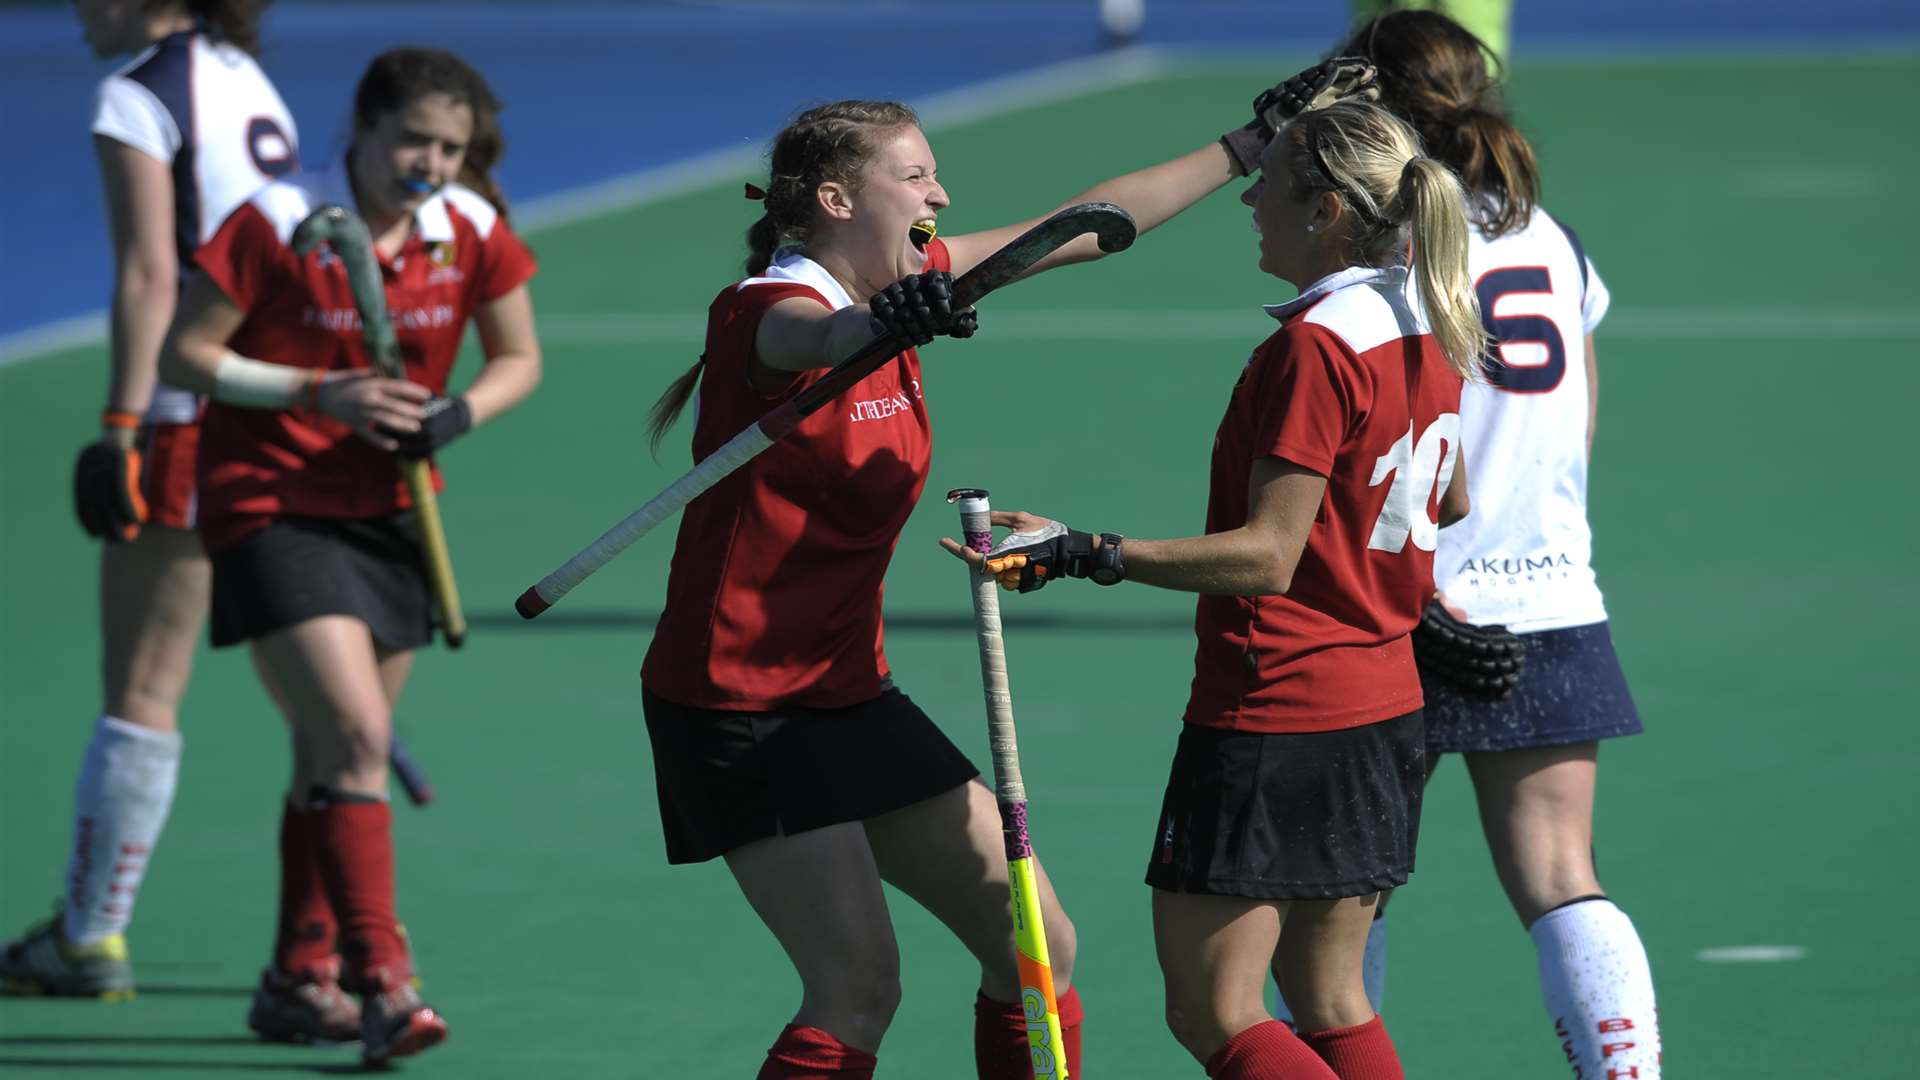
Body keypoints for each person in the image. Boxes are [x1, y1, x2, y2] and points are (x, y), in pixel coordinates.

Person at [634, 72, 1359, 1078]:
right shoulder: (768, 309)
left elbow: (1086, 225)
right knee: (857, 987)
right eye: (916, 177)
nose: (938, 198)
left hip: (844, 691)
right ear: (840, 201)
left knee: (1038, 948)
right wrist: (876, 326)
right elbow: (809, 337)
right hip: (738, 702)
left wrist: (1249, 140)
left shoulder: (909, 277)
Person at [947, 99, 1485, 1079]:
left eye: (1269, 181)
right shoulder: (1426, 319)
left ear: (1324, 212)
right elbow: (1448, 498)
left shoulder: (1315, 349)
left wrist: (1086, 550)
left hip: (1278, 710)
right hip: (1384, 710)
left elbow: (1267, 558)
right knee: (1332, 1002)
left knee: (1215, 1011)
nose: (1249, 199)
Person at [154, 46, 540, 1065]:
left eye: (451, 147)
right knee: (360, 737)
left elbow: (518, 360)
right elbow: (183, 354)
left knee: (328, 755)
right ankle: (385, 985)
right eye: (413, 138)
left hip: (393, 513)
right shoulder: (279, 221)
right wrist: (314, 393)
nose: (430, 162)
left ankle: (297, 976)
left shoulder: (468, 229)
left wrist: (455, 414)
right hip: (269, 502)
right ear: (362, 130)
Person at [1327, 11, 1663, 1077]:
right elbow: (1586, 415)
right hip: (1554, 592)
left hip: (1405, 608)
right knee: (1565, 874)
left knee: (1347, 896)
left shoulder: (1382, 244)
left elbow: (1366, 435)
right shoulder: (1549, 234)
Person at [1, 0, 297, 1003]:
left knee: (142, 685)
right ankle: (338, 950)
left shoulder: (137, 95)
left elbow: (147, 276)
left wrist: (122, 427)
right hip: (276, 410)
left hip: (184, 410)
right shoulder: (246, 76)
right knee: (317, 696)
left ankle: (90, 936)